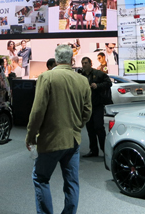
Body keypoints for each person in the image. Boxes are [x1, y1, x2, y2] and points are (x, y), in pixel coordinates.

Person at [26, 45, 91, 214]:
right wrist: (77, 126)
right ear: (72, 60)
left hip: (50, 140)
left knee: (40, 178)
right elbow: (87, 112)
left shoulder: (47, 77)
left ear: (56, 60)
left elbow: (38, 111)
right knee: (72, 183)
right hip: (73, 140)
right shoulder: (83, 80)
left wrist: (31, 135)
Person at [80, 56, 112, 157]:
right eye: (83, 63)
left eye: (86, 63)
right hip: (87, 106)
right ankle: (93, 151)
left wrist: (97, 86)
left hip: (97, 105)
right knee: (90, 129)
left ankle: (105, 150)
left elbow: (109, 83)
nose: (84, 65)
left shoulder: (99, 74)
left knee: (99, 127)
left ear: (90, 64)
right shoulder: (81, 76)